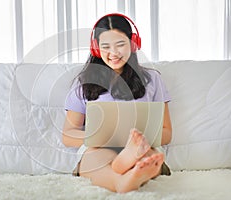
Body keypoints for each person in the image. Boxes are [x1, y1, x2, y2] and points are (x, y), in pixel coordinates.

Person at [62, 13, 172, 193]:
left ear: (133, 44)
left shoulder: (153, 79)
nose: (113, 53)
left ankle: (128, 163)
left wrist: (138, 141)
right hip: (98, 149)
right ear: (96, 49)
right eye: (105, 47)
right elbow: (67, 135)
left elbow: (167, 132)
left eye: (120, 44)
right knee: (96, 158)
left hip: (143, 148)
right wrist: (103, 136)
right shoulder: (83, 84)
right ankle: (123, 177)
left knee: (148, 155)